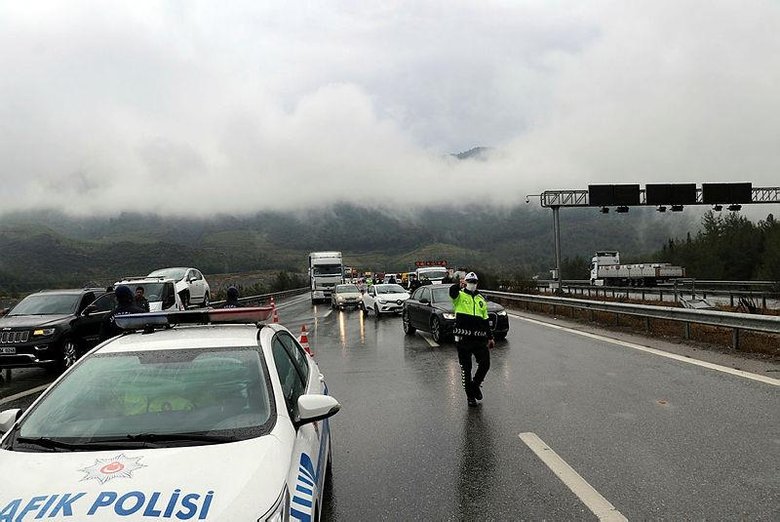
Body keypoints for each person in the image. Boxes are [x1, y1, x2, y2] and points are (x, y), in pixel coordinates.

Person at [449, 272, 494, 407]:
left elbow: (485, 319)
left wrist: (490, 337)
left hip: (479, 339)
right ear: (465, 282)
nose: (472, 284)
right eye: (470, 282)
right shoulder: (459, 296)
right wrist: (459, 284)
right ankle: (470, 397)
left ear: (477, 283)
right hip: (464, 340)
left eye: (474, 282)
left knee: (485, 364)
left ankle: (475, 386)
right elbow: (452, 292)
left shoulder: (481, 299)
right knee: (466, 369)